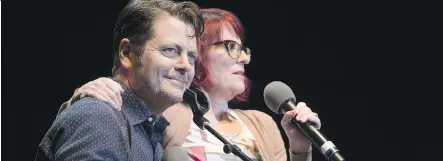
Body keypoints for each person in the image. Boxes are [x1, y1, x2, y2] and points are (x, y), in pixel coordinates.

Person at [59, 8, 320, 161]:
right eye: (230, 47)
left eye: (243, 49)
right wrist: (81, 98)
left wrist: (300, 149)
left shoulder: (260, 124)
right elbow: (119, 111)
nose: (243, 57)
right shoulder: (164, 113)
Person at [35, 0, 204, 160]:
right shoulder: (100, 118)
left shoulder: (149, 133)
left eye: (191, 57)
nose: (186, 66)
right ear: (126, 53)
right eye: (170, 50)